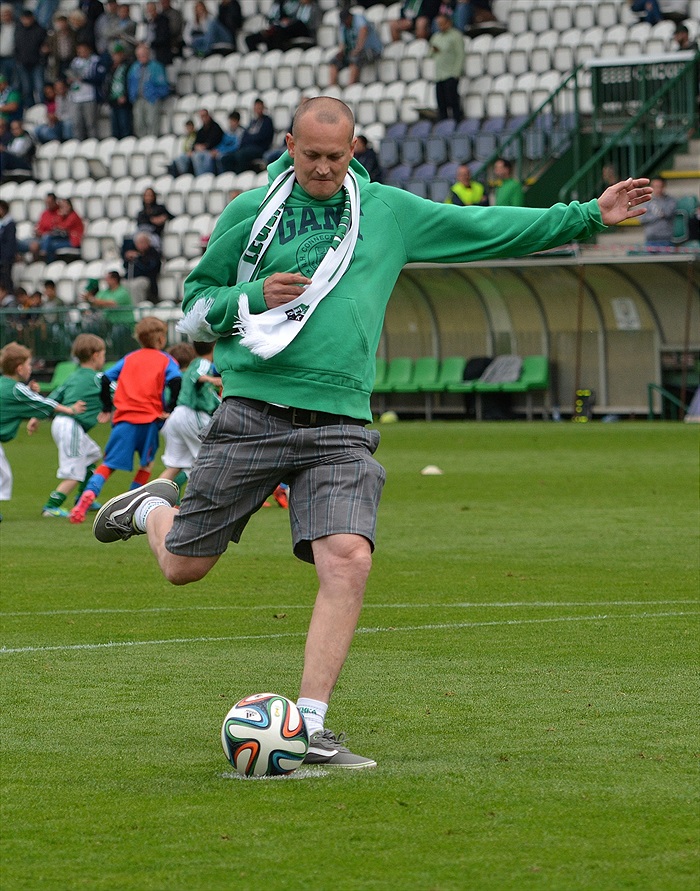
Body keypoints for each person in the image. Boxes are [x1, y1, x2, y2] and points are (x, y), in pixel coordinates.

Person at [91, 97, 651, 768]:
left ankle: (313, 725)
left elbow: (486, 226)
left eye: (336, 155)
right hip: (252, 410)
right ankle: (151, 507)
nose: (324, 168)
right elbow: (192, 316)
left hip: (341, 421)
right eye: (311, 155)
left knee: (349, 557)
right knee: (185, 566)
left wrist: (588, 213)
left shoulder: (386, 211)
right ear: (290, 145)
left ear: (354, 147)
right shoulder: (248, 212)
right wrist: (251, 296)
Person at [69, 316, 181, 523]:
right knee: (146, 465)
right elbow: (175, 380)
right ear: (161, 338)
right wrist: (170, 408)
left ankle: (88, 495)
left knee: (108, 464)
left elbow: (105, 378)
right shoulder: (165, 359)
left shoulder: (130, 358)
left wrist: (106, 407)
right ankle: (132, 504)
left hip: (123, 419)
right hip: (148, 421)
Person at [0, 341, 85, 520]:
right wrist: (70, 410)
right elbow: (44, 403)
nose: (31, 368)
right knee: (3, 475)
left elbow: (20, 400)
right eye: (29, 364)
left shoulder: (7, 385)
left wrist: (29, 391)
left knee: (3, 475)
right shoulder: (16, 389)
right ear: (19, 368)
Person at [40, 333, 111, 518]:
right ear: (96, 355)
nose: (104, 359)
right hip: (71, 425)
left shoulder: (73, 376)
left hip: (62, 423)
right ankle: (51, 507)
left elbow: (54, 397)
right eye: (103, 355)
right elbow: (119, 391)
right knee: (74, 470)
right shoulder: (98, 378)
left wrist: (34, 418)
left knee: (92, 454)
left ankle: (83, 499)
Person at [159, 340, 221, 483]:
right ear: (214, 348)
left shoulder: (193, 363)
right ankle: (205, 501)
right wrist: (213, 380)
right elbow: (198, 376)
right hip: (192, 414)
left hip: (177, 415)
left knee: (176, 466)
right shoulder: (204, 363)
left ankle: (155, 498)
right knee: (212, 458)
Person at [329, 4, 382, 87]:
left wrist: (357, 49)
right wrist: (341, 52)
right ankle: (332, 88)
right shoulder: (343, 24)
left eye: (346, 20)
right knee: (334, 61)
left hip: (372, 50)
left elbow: (363, 30)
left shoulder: (359, 19)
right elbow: (342, 42)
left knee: (354, 59)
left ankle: (351, 87)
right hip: (352, 51)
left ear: (350, 17)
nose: (345, 23)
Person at [218, 98, 273, 174]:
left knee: (241, 155)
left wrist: (251, 138)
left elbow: (262, 137)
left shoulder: (267, 121)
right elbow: (246, 136)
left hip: (259, 148)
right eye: (256, 108)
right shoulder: (253, 122)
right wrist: (251, 138)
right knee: (226, 158)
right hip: (247, 148)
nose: (258, 110)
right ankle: (229, 178)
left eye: (259, 108)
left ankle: (240, 176)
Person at [127, 43, 169, 138]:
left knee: (152, 122)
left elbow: (163, 85)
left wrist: (155, 94)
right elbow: (130, 83)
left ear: (148, 54)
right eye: (139, 55)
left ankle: (152, 142)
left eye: (144, 54)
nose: (142, 57)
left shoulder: (156, 67)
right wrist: (132, 96)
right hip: (137, 99)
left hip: (152, 99)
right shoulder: (134, 67)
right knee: (138, 123)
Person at [429, 11, 464, 122]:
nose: (440, 26)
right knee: (441, 102)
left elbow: (460, 55)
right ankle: (444, 125)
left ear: (449, 23)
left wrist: (456, 73)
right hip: (439, 75)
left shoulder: (456, 36)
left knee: (453, 101)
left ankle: (457, 122)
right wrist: (434, 50)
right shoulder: (436, 37)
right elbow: (430, 54)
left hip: (450, 73)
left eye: (442, 24)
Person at [66, 41, 104, 140]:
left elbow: (99, 78)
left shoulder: (95, 61)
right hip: (76, 96)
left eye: (83, 51)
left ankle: (93, 143)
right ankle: (79, 145)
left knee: (90, 124)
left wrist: (84, 79)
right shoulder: (75, 62)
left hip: (89, 96)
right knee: (77, 124)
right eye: (79, 51)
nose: (81, 53)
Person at [14, 8, 47, 109]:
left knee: (40, 87)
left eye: (27, 18)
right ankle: (31, 109)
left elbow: (45, 47)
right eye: (23, 18)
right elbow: (16, 46)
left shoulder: (40, 30)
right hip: (22, 63)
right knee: (27, 89)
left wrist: (42, 58)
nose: (25, 21)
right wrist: (18, 59)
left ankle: (42, 108)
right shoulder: (18, 30)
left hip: (37, 63)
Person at [37, 197, 84, 262]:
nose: (63, 209)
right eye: (61, 207)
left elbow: (63, 227)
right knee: (48, 237)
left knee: (52, 245)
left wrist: (59, 216)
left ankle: (48, 261)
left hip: (73, 241)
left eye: (65, 207)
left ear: (70, 206)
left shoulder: (73, 216)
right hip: (66, 237)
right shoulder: (64, 217)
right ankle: (44, 253)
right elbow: (54, 226)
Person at [122, 230, 162, 303]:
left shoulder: (153, 253)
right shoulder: (133, 251)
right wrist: (127, 258)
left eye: (143, 242)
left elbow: (149, 268)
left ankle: (136, 307)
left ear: (148, 242)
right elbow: (125, 266)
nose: (140, 244)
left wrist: (138, 258)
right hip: (131, 278)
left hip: (146, 279)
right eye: (138, 242)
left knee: (136, 285)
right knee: (122, 284)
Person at [640, 175, 677, 249]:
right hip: (650, 239)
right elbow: (643, 219)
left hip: (666, 239)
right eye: (655, 186)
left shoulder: (671, 201)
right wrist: (658, 215)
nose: (658, 189)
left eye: (660, 186)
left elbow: (668, 213)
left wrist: (659, 213)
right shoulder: (646, 201)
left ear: (664, 187)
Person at [104, 42, 132, 138]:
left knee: (125, 127)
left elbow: (130, 83)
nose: (115, 57)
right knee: (115, 129)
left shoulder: (128, 66)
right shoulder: (111, 69)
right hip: (113, 101)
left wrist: (126, 96)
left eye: (117, 54)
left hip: (124, 102)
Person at [0, 198, 17, 289]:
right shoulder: (2, 223)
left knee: (6, 278)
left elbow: (10, 242)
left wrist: (8, 256)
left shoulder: (9, 224)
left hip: (6, 257)